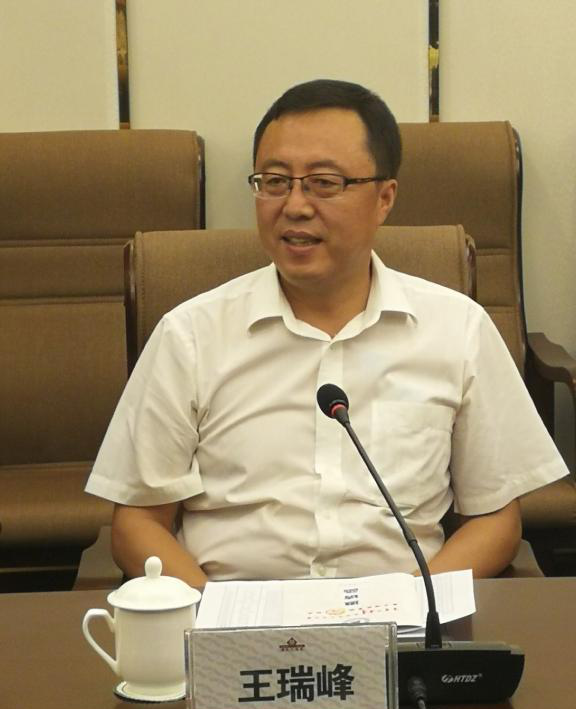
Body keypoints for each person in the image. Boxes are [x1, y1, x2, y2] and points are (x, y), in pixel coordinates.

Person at [86, 79, 568, 587]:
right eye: (275, 181)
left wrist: (415, 603)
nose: (295, 205)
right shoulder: (190, 335)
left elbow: (495, 519)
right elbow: (138, 523)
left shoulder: (458, 329)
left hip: (400, 619)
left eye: (324, 183)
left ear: (384, 198)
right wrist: (214, 613)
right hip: (230, 615)